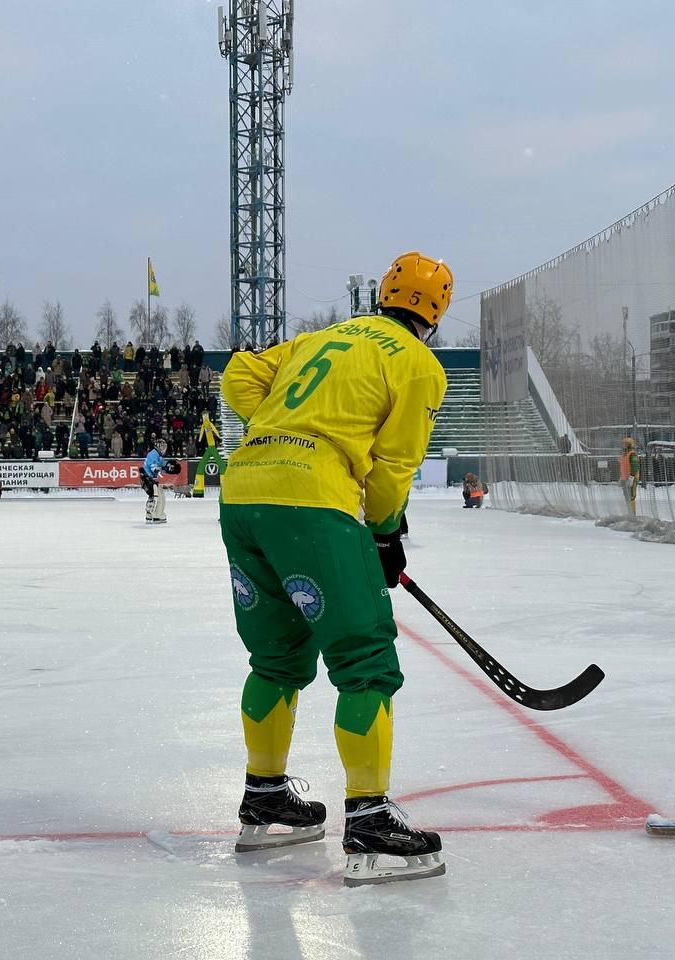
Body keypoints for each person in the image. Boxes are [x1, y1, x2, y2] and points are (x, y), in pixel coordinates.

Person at [218, 250, 451, 886]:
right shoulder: (418, 362)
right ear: (434, 312)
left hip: (242, 496)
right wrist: (383, 532)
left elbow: (239, 373)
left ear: (384, 295)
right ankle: (370, 817)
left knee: (275, 659)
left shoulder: (320, 337)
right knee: (365, 660)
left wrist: (276, 425)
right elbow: (396, 466)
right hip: (313, 502)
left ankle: (265, 796)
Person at [140, 438, 178, 524]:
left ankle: (151, 514)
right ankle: (156, 514)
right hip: (147, 478)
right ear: (157, 446)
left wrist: (169, 467)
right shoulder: (153, 454)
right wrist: (162, 468)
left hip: (150, 479)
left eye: (164, 446)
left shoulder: (158, 456)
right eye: (161, 446)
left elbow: (162, 467)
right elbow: (154, 468)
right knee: (157, 496)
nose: (163, 448)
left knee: (157, 495)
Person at [618, 436, 639, 514]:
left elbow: (635, 466)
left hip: (632, 479)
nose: (623, 446)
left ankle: (633, 514)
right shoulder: (623, 455)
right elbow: (622, 467)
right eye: (623, 444)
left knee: (631, 496)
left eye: (625, 444)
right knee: (627, 497)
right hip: (624, 479)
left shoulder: (632, 454)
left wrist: (631, 477)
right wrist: (621, 478)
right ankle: (629, 512)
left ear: (629, 445)